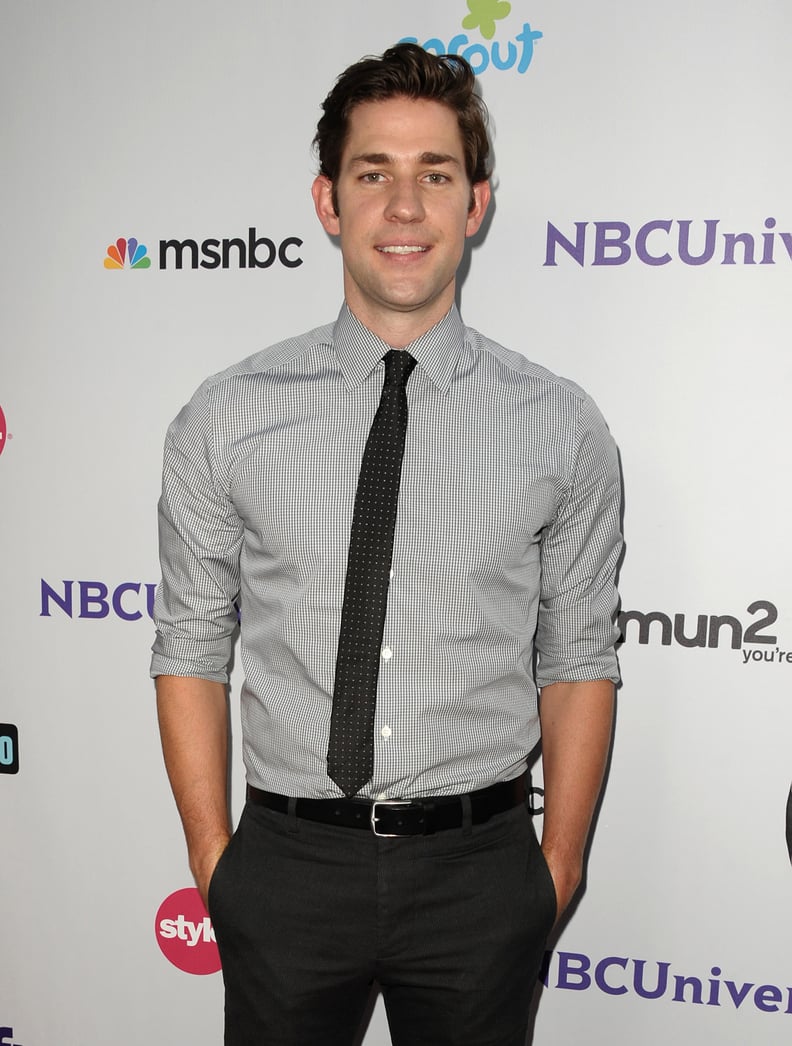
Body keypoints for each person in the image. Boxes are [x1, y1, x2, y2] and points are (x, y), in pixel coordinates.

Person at [151, 42, 622, 1046]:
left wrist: (559, 865)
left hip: (481, 872)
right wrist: (214, 856)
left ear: (475, 203)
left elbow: (578, 654)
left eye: (434, 175)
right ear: (328, 201)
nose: (404, 208)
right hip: (284, 866)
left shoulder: (561, 426)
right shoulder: (227, 417)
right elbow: (191, 642)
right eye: (375, 174)